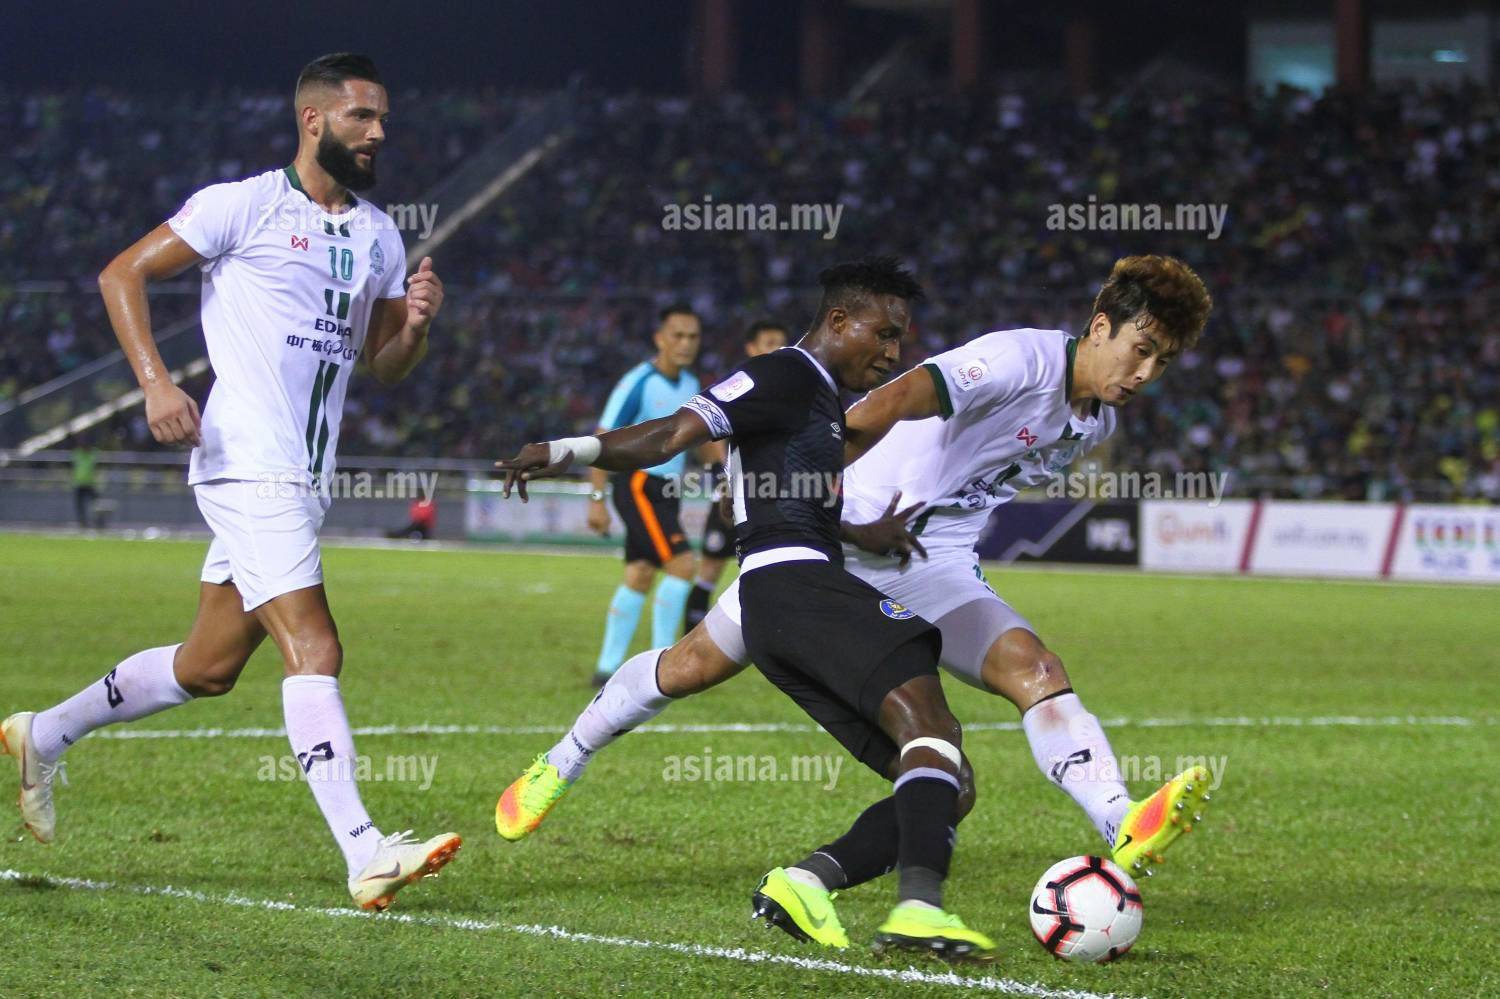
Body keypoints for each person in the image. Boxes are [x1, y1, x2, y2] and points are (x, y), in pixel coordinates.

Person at [495, 255, 1217, 947]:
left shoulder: (1096, 422)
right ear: (1100, 326)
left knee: (1034, 669)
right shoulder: (1018, 359)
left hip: (930, 562)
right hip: (838, 541)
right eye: (1140, 349)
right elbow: (888, 401)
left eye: (1162, 362)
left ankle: (1121, 819)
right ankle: (562, 760)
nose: (1145, 373)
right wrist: (806, 492)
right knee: (689, 668)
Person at [1, 53, 460, 912]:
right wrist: (156, 383)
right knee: (315, 645)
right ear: (314, 119)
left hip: (306, 477)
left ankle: (43, 733)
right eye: (362, 116)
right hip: (248, 460)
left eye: (383, 119)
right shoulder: (241, 205)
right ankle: (365, 850)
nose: (378, 133)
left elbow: (386, 363)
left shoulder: (380, 235)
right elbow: (121, 273)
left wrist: (419, 327)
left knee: (206, 666)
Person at [498, 257, 998, 961]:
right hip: (790, 583)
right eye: (883, 334)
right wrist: (564, 449)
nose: (893, 352)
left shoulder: (821, 400)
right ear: (838, 320)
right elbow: (672, 433)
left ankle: (807, 881)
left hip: (786, 585)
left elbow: (789, 494)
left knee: (948, 780)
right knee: (928, 718)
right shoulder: (784, 373)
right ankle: (919, 908)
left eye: (901, 338)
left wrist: (863, 532)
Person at [586, 306, 705, 686]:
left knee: (639, 574)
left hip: (668, 490)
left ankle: (606, 669)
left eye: (692, 337)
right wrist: (596, 498)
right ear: (660, 339)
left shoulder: (691, 383)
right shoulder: (638, 381)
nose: (685, 344)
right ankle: (663, 668)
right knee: (683, 566)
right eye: (678, 335)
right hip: (638, 484)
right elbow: (602, 438)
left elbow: (701, 440)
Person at [684, 320, 789, 633]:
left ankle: (767, 637)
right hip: (734, 492)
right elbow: (710, 432)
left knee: (771, 567)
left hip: (773, 495)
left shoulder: (793, 390)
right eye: (769, 343)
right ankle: (687, 638)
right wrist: (723, 475)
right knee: (710, 567)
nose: (777, 349)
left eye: (782, 343)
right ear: (751, 348)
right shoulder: (738, 386)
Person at [71, 441, 99, 528]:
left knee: (96, 504)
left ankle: (98, 521)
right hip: (79, 483)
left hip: (90, 483)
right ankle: (82, 522)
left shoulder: (93, 454)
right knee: (79, 505)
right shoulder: (78, 453)